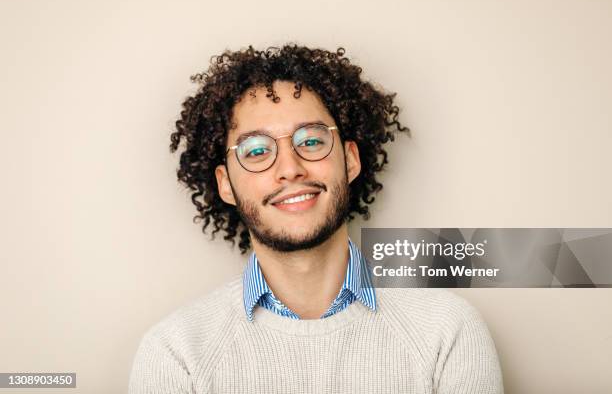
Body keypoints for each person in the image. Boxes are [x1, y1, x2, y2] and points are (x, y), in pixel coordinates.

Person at [128, 44, 504, 393]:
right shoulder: (176, 354)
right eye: (256, 150)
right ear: (226, 185)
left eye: (310, 141)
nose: (289, 169)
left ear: (350, 159)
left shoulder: (447, 331)